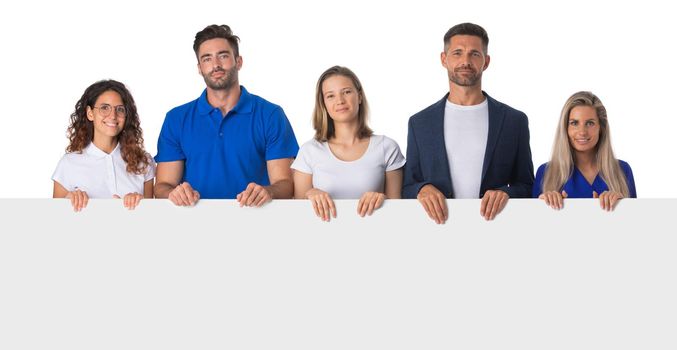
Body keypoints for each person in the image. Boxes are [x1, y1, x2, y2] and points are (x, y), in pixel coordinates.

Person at [402, 22, 534, 224]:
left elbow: (526, 185)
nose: (465, 61)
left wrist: (506, 192)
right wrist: (422, 189)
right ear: (443, 59)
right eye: (457, 53)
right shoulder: (419, 123)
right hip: (437, 229)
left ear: (486, 61)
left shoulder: (514, 121)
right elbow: (407, 186)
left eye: (474, 54)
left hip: (496, 227)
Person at [154, 24, 299, 206]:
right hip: (192, 224)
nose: (215, 65)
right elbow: (162, 186)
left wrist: (267, 191)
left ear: (238, 62)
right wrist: (173, 194)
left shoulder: (270, 115)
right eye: (207, 59)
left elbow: (285, 184)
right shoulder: (176, 119)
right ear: (199, 68)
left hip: (256, 221)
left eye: (223, 56)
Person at [292, 66, 405, 221]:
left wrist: (382, 199)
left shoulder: (387, 147)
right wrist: (309, 194)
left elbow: (400, 212)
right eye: (330, 96)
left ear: (359, 96)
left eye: (346, 92)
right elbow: (296, 215)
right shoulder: (309, 151)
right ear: (323, 104)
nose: (340, 101)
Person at [52, 80, 155, 211]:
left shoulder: (143, 162)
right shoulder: (68, 164)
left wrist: (140, 203)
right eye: (104, 108)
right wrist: (69, 199)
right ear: (90, 113)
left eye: (120, 109)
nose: (113, 116)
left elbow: (151, 217)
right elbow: (55, 218)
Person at [533, 91, 636, 211]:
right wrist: (545, 205)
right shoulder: (546, 172)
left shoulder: (622, 170)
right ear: (565, 128)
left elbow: (635, 225)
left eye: (590, 123)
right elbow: (532, 226)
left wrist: (622, 206)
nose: (582, 132)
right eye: (574, 123)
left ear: (601, 128)